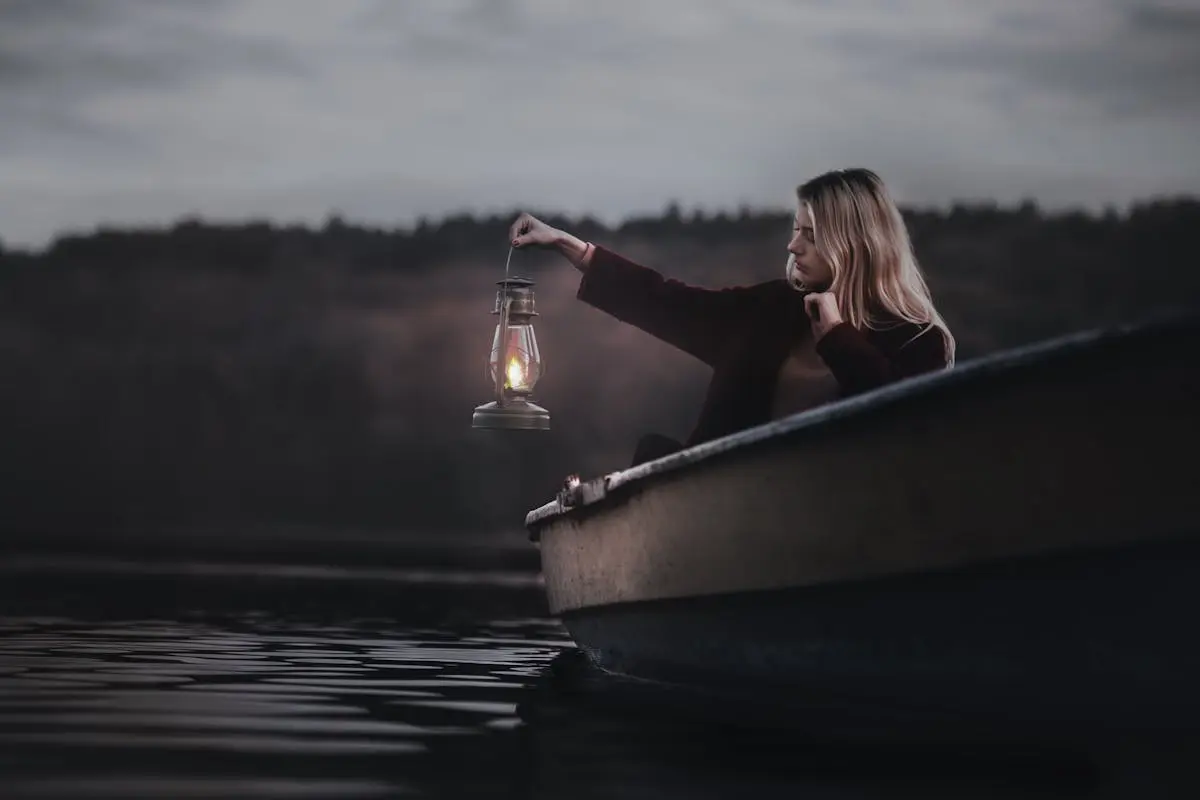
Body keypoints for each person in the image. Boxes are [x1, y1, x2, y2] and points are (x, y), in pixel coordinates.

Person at [509, 167, 956, 466]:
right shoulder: (770, 310)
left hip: (839, 537)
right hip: (717, 526)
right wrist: (569, 246)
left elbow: (908, 430)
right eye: (794, 230)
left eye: (811, 235)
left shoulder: (920, 342)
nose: (792, 246)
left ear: (854, 243)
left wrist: (839, 339)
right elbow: (665, 301)